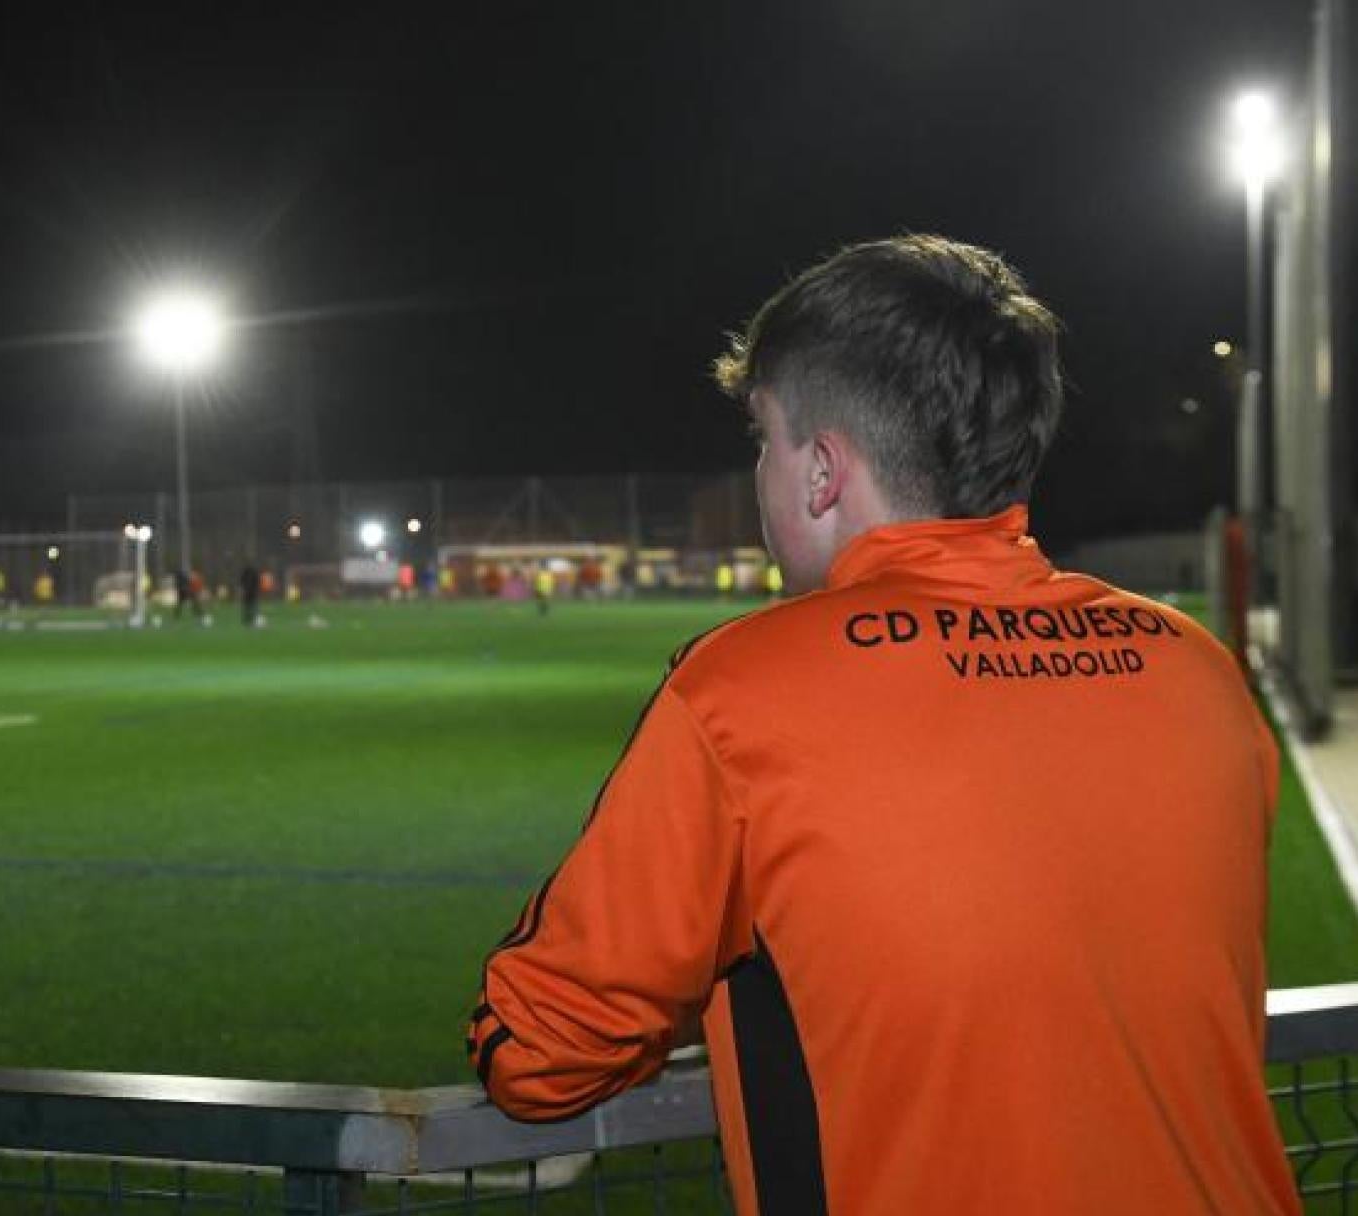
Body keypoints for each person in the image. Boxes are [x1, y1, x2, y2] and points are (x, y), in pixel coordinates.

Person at [466, 236, 1299, 1215]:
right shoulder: (1195, 667)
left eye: (764, 438)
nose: (762, 475)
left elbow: (541, 1048)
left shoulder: (743, 693)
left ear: (821, 470)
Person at [239, 562, 262, 627]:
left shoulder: (246, 573)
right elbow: (257, 582)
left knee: (249, 607)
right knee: (250, 607)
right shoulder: (250, 573)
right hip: (250, 593)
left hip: (249, 593)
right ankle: (251, 620)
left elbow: (242, 582)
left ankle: (250, 620)